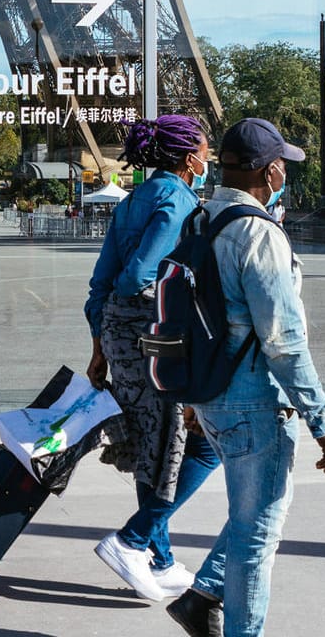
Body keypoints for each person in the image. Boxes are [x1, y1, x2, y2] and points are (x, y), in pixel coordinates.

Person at [168, 118, 325, 637]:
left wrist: (194, 398)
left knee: (254, 514)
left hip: (211, 392)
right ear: (269, 172)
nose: (285, 170)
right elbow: (284, 341)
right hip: (253, 399)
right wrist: (323, 419)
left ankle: (202, 598)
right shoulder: (258, 233)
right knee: (257, 534)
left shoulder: (200, 220)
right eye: (282, 163)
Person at [83, 115, 221, 602]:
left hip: (121, 337)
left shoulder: (133, 199)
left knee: (155, 446)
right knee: (190, 443)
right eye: (205, 151)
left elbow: (101, 284)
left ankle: (157, 557)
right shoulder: (179, 200)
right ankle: (134, 540)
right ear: (189, 159)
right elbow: (140, 275)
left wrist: (100, 347)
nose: (209, 160)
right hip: (153, 334)